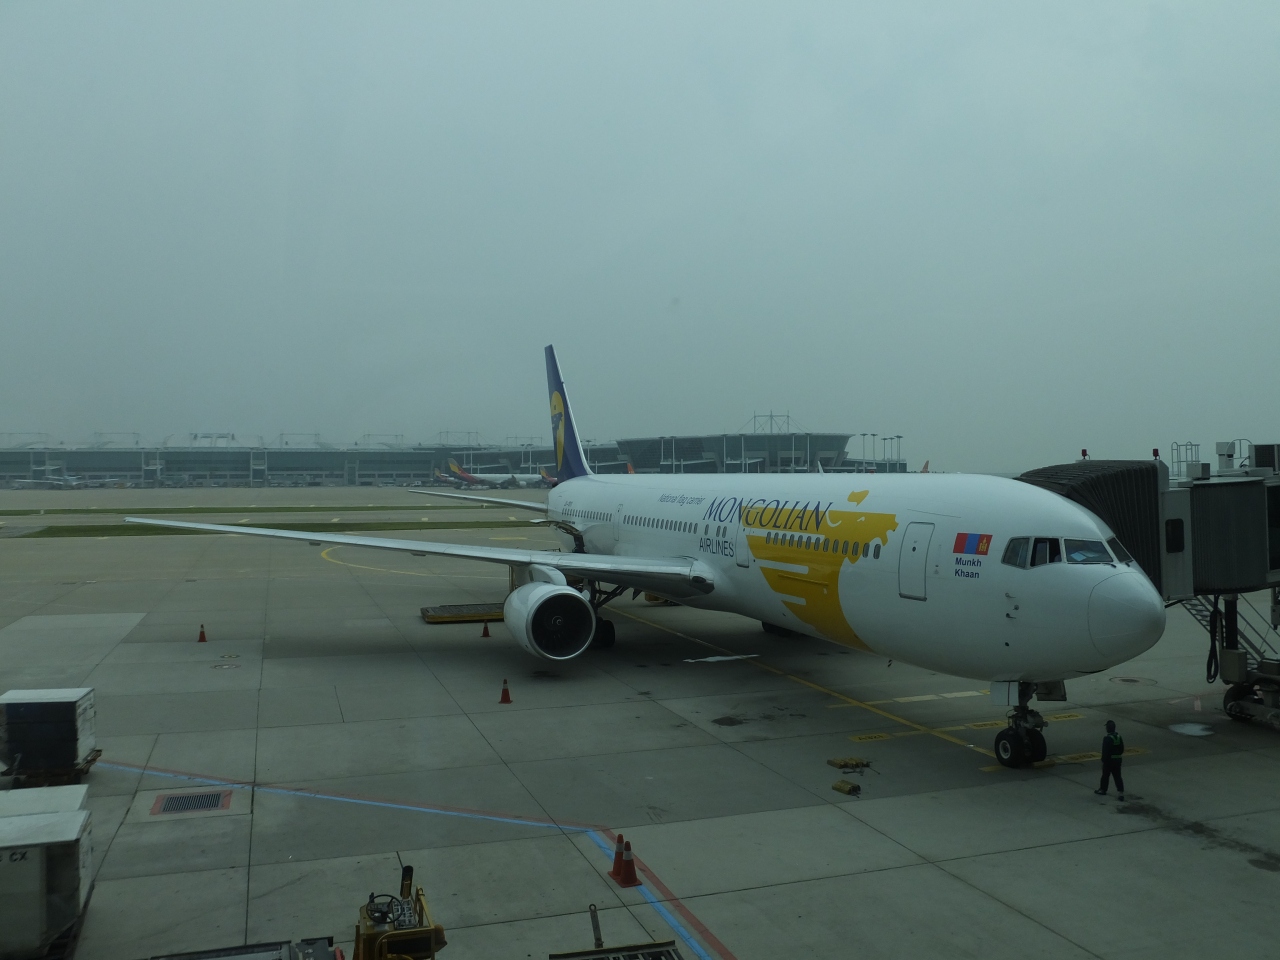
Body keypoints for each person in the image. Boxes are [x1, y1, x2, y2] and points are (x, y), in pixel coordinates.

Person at [1094, 720, 1125, 801]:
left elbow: (1105, 751)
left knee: (1105, 776)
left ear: (1108, 729)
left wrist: (1103, 760)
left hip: (1109, 761)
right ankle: (1121, 792)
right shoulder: (1119, 737)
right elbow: (1122, 749)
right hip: (1117, 760)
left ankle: (1103, 789)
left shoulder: (1107, 738)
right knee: (1118, 776)